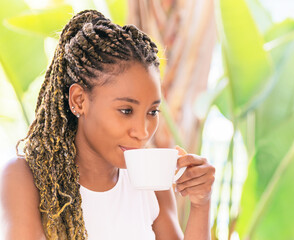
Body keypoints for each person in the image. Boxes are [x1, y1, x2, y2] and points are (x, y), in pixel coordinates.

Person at [0, 9, 215, 240]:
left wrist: (201, 204)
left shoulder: (153, 186)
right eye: (126, 111)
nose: (143, 132)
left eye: (152, 111)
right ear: (79, 101)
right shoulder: (27, 178)